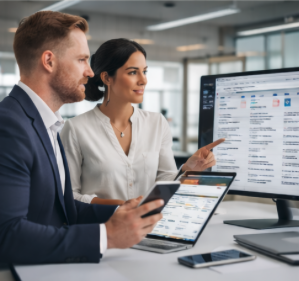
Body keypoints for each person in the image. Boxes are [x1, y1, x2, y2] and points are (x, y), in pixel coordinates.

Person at [0, 11, 164, 264]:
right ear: (49, 61)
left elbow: (66, 209)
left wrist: (123, 212)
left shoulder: (46, 123)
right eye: (82, 60)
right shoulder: (9, 125)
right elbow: (6, 236)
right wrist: (106, 236)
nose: (90, 72)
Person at [60, 38, 225, 205]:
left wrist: (188, 169)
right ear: (107, 78)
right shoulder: (75, 129)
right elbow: (69, 195)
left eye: (144, 71)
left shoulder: (157, 123)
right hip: (102, 227)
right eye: (133, 72)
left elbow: (165, 180)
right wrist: (122, 206)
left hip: (150, 226)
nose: (143, 80)